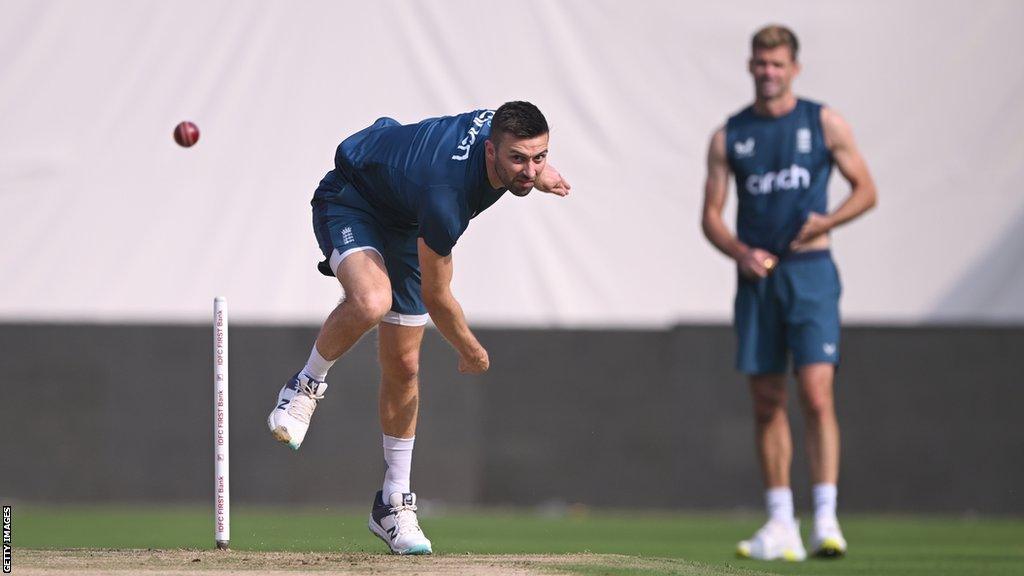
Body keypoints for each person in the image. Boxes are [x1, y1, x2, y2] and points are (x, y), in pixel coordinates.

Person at [267, 102, 570, 555]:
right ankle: (305, 385)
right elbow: (437, 296)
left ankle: (393, 503)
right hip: (354, 197)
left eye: (539, 157)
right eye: (518, 160)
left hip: (407, 217)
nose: (529, 170)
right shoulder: (445, 196)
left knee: (405, 364)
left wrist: (539, 174)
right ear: (490, 151)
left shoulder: (505, 132)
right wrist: (470, 349)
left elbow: (524, 152)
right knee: (373, 301)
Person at [701, 25, 877, 561]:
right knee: (765, 400)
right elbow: (710, 215)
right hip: (759, 278)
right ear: (751, 66)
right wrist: (741, 252)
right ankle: (781, 523)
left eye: (777, 63)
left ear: (794, 68)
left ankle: (826, 517)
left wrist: (827, 219)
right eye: (760, 62)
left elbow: (866, 190)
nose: (768, 72)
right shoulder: (730, 134)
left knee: (817, 394)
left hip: (812, 272)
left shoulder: (823, 121)